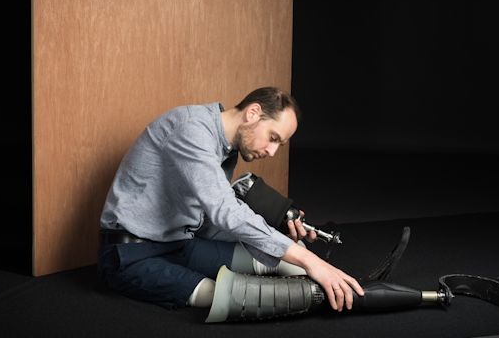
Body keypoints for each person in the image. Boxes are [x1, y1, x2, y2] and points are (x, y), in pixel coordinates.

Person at [97, 87, 363, 312]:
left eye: (278, 145)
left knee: (288, 258)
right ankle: (330, 294)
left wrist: (278, 237)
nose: (271, 151)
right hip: (131, 254)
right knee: (229, 296)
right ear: (253, 113)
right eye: (273, 138)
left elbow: (208, 223)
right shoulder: (191, 130)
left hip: (181, 245)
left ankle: (347, 290)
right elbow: (224, 209)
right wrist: (312, 262)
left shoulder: (227, 148)